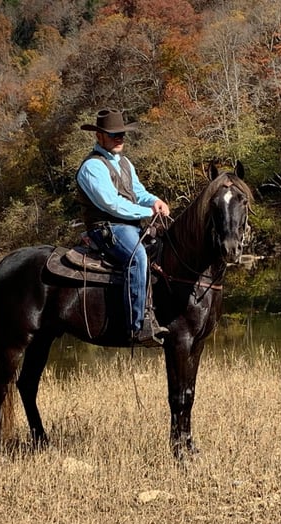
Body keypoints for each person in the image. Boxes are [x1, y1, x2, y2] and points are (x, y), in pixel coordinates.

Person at [76, 108, 171, 346]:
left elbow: (138, 192)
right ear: (99, 136)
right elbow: (112, 204)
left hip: (129, 225)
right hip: (107, 227)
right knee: (137, 257)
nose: (119, 138)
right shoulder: (92, 167)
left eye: (121, 134)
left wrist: (155, 201)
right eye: (113, 134)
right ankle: (138, 326)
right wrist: (146, 212)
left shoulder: (125, 163)